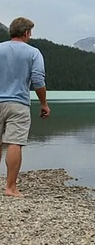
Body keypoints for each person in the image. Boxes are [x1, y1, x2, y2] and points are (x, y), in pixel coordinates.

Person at [0, 17, 50, 197]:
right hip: (18, 103)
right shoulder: (33, 53)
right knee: (15, 142)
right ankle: (10, 188)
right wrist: (44, 104)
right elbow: (38, 80)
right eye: (31, 33)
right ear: (26, 33)